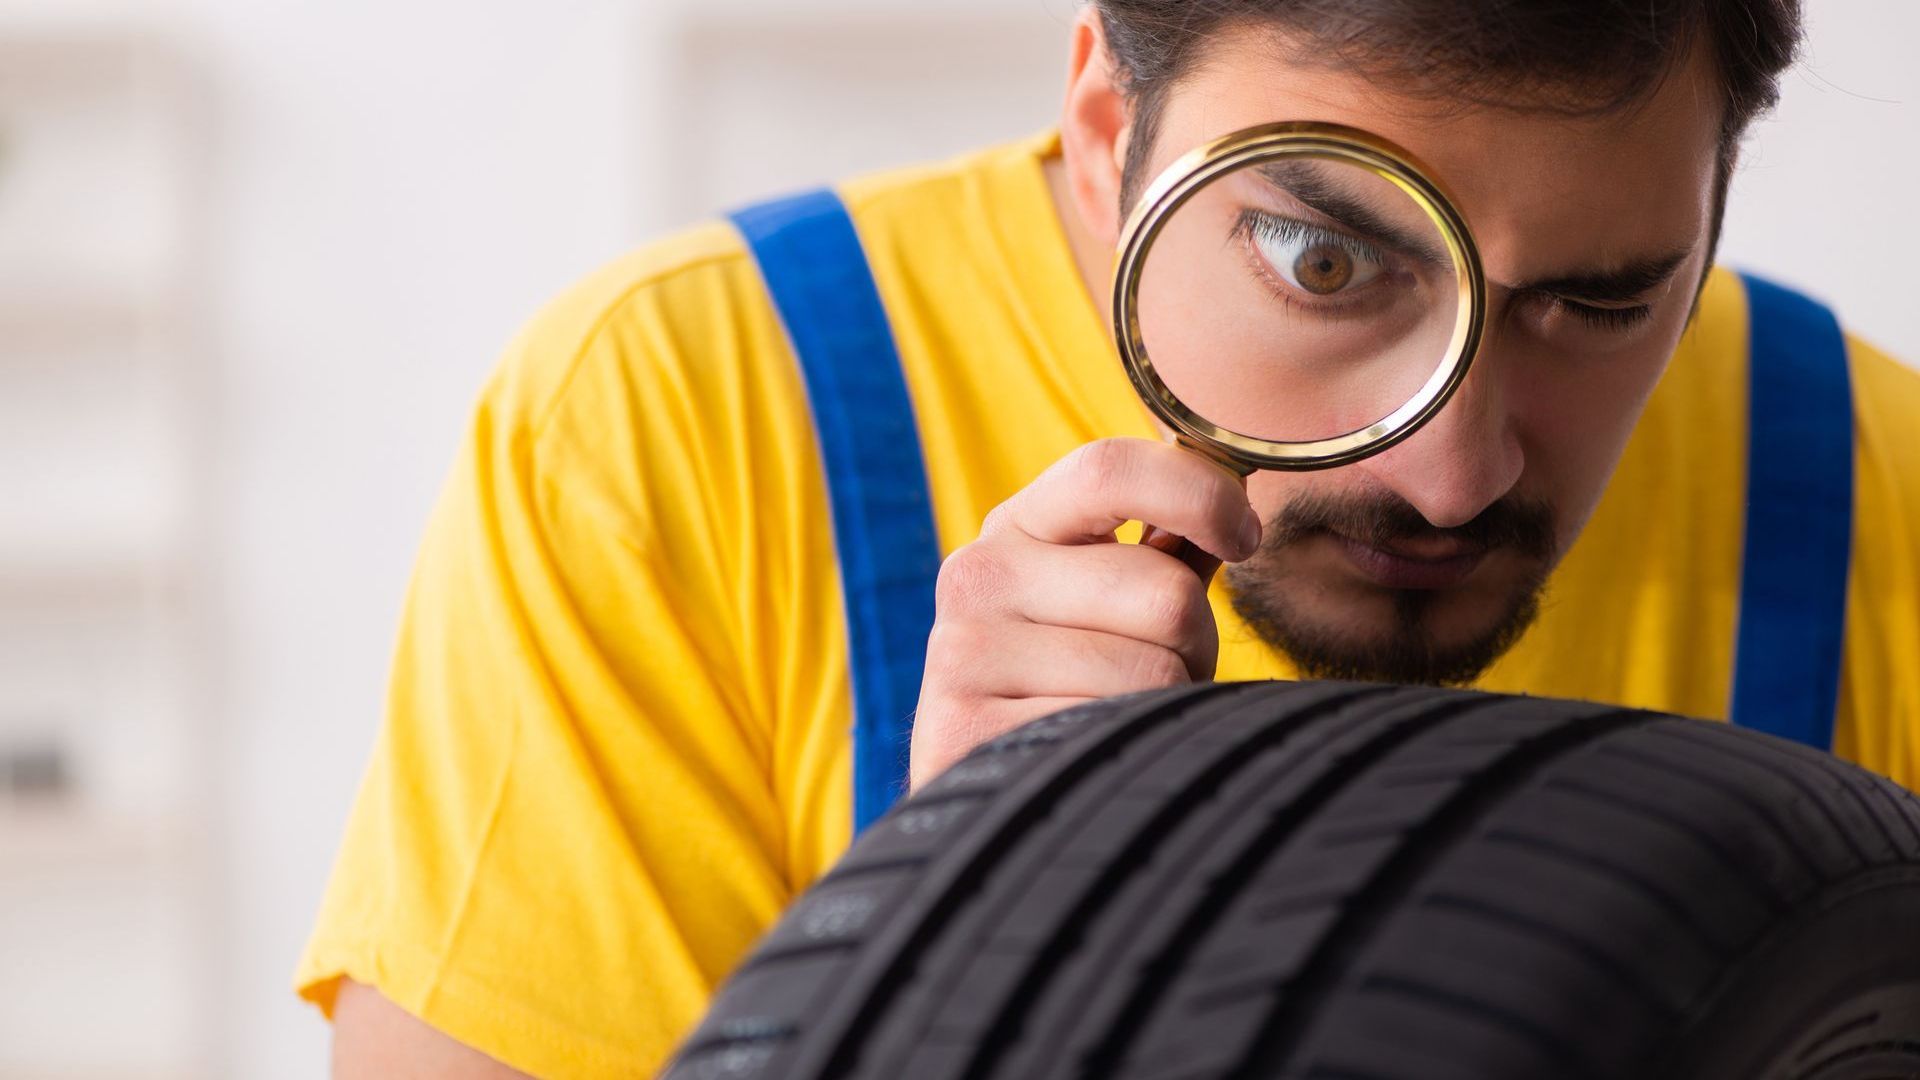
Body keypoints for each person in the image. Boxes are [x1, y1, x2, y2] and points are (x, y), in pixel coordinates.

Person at [304, 1, 1920, 1076]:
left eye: (1602, 301)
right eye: (1324, 261)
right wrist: (962, 940)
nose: (1449, 471)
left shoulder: (1882, 488)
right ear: (1104, 130)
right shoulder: (678, 419)